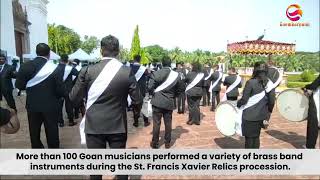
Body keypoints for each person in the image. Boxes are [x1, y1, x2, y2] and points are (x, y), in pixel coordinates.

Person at [69, 35, 141, 180]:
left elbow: (73, 98)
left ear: (101, 50)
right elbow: (138, 100)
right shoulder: (127, 71)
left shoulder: (87, 70)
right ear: (118, 51)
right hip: (118, 125)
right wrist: (133, 111)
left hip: (94, 125)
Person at [15, 43, 65, 148]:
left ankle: (37, 149)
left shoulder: (25, 66)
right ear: (49, 54)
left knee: (34, 131)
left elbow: (19, 85)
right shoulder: (56, 67)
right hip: (51, 105)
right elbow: (60, 90)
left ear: (36, 52)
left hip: (32, 105)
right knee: (52, 130)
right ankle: (53, 151)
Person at [148, 57, 185, 149]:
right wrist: (173, 96)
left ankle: (155, 143)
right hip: (169, 101)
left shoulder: (156, 73)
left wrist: (154, 94)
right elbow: (181, 89)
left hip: (157, 101)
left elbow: (149, 87)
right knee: (168, 123)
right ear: (170, 64)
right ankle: (167, 143)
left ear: (162, 63)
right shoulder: (176, 75)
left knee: (156, 123)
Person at [237, 62, 275, 149]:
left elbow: (244, 100)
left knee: (249, 139)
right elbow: (272, 101)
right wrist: (268, 113)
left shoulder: (250, 82)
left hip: (249, 116)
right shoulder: (269, 83)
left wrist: (238, 104)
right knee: (256, 137)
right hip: (261, 115)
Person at [57, 55, 79, 127]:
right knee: (69, 105)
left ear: (60, 59)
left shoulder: (55, 67)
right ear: (67, 60)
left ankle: (60, 122)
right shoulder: (70, 68)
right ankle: (70, 121)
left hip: (58, 90)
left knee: (59, 106)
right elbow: (78, 74)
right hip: (68, 89)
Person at [130, 55, 150, 127]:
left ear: (134, 59)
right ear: (140, 60)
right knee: (144, 105)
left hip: (133, 90)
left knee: (135, 106)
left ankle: (136, 122)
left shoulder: (129, 68)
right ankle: (146, 122)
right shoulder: (143, 69)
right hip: (142, 90)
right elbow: (148, 74)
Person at [303, 74, 320, 149]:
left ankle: (310, 146)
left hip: (317, 100)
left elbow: (314, 85)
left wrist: (306, 87)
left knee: (313, 123)